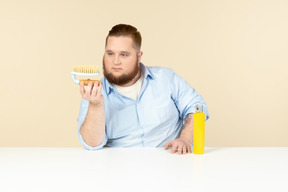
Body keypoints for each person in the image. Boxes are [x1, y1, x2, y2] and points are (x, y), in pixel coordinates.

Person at [77, 24, 209, 155]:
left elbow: (197, 106)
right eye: (110, 53)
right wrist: (95, 105)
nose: (115, 61)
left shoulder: (166, 78)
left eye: (123, 55)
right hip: (119, 167)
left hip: (170, 162)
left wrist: (185, 139)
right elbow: (92, 144)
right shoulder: (94, 92)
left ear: (139, 56)